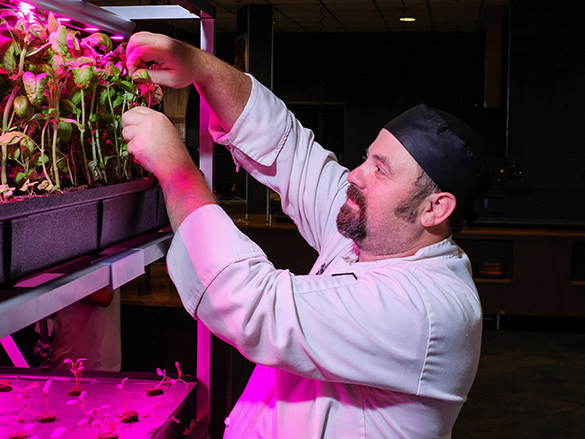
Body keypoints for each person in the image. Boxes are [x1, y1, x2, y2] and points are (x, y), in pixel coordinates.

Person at [121, 31, 490, 439]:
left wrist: (176, 169)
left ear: (435, 208)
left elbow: (251, 302)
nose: (355, 175)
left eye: (380, 170)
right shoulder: (379, 234)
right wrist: (199, 66)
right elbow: (288, 149)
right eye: (366, 159)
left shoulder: (427, 312)